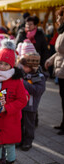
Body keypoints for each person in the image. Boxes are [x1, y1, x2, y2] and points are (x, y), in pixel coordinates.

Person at [0, 39, 28, 164]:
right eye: (0, 63)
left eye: (6, 64)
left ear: (12, 65)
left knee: (9, 146)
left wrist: (7, 108)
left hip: (10, 119)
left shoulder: (16, 80)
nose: (3, 66)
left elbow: (23, 100)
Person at [18, 40, 46, 151]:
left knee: (29, 124)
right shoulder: (24, 74)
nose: (22, 68)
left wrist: (23, 83)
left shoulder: (38, 76)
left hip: (31, 105)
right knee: (20, 123)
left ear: (32, 66)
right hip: (22, 104)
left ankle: (28, 141)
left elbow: (37, 90)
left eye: (24, 66)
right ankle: (20, 140)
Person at [45, 6, 64, 135]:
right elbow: (59, 51)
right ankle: (63, 123)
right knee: (63, 98)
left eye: (59, 16)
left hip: (63, 69)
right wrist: (50, 60)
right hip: (60, 68)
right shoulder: (61, 31)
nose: (57, 19)